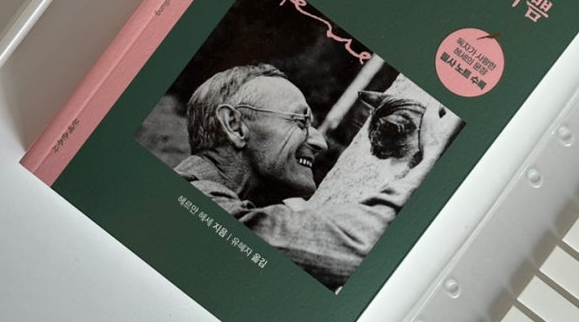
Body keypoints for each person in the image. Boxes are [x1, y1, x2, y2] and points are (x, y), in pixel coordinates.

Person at [174, 63, 455, 290]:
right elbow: (362, 245)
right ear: (235, 126)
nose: (320, 142)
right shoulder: (197, 202)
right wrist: (431, 156)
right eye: (300, 121)